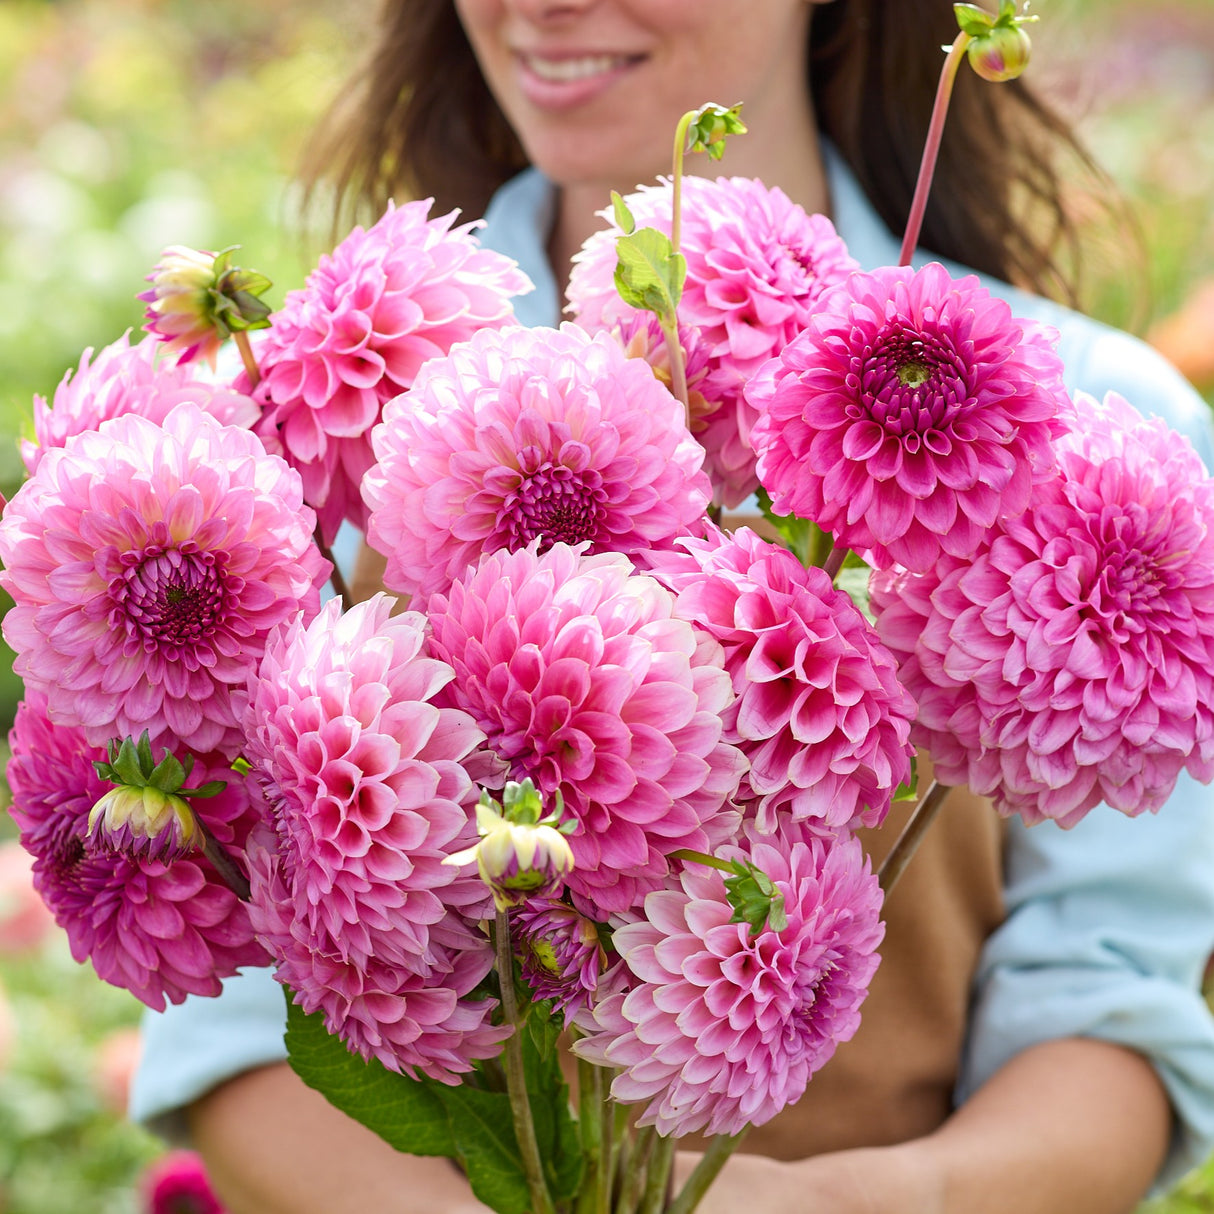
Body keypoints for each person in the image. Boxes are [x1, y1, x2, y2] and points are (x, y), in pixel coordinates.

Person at [129, 1, 1214, 1211]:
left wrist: (833, 1204)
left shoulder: (1095, 427)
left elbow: (1113, 1017)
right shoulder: (321, 406)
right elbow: (239, 1018)